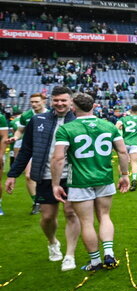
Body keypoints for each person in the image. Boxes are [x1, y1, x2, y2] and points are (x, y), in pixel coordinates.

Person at [50, 93, 130, 271]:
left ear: (73, 108)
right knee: (105, 216)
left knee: (86, 222)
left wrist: (55, 184)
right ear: (94, 106)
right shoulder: (108, 126)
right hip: (104, 177)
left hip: (79, 180)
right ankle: (109, 253)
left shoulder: (67, 128)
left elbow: (57, 158)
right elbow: (123, 152)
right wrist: (124, 174)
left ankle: (95, 261)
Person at [5, 86, 81, 268]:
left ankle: (70, 254)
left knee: (71, 212)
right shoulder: (37, 120)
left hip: (73, 175)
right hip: (46, 175)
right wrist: (13, 174)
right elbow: (26, 150)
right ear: (51, 101)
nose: (60, 103)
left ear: (71, 101)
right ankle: (53, 242)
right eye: (56, 100)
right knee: (47, 216)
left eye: (64, 100)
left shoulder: (79, 121)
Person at [12, 92, 46, 214]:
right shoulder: (26, 116)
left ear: (44, 101)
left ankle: (51, 201)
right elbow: (19, 130)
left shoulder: (52, 114)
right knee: (28, 176)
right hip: (32, 149)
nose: (34, 104)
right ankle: (36, 202)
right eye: (32, 102)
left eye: (37, 101)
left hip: (49, 149)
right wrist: (15, 138)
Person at [116, 104, 137, 191]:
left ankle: (122, 180)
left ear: (131, 110)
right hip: (135, 144)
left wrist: (122, 128)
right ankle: (134, 179)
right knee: (134, 163)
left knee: (122, 164)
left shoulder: (124, 119)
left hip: (124, 144)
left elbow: (116, 127)